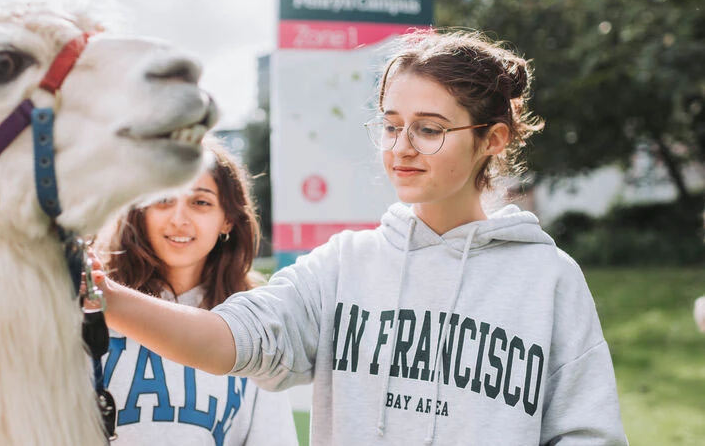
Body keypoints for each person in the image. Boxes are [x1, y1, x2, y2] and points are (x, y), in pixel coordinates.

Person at [92, 30, 628, 445]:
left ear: (493, 139)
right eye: (392, 125)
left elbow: (587, 433)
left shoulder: (549, 281)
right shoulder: (343, 265)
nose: (402, 147)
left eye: (430, 128)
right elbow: (225, 341)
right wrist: (103, 296)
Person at [92, 138, 298, 445]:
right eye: (164, 199)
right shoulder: (90, 309)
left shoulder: (253, 327)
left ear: (227, 219)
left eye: (200, 202)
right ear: (141, 211)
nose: (179, 219)